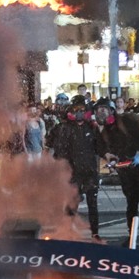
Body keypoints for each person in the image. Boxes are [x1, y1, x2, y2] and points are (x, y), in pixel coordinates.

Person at [101, 97, 139, 247]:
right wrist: (112, 161)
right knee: (131, 202)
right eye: (98, 111)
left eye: (104, 110)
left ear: (111, 110)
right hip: (125, 168)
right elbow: (108, 148)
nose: (101, 114)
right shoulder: (106, 130)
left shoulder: (128, 120)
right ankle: (132, 234)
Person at [47, 95, 103, 242]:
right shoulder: (63, 128)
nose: (79, 112)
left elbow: (101, 148)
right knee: (72, 203)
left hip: (89, 171)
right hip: (73, 171)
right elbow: (52, 145)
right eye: (76, 109)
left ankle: (95, 233)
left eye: (82, 110)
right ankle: (67, 231)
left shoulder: (92, 128)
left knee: (92, 203)